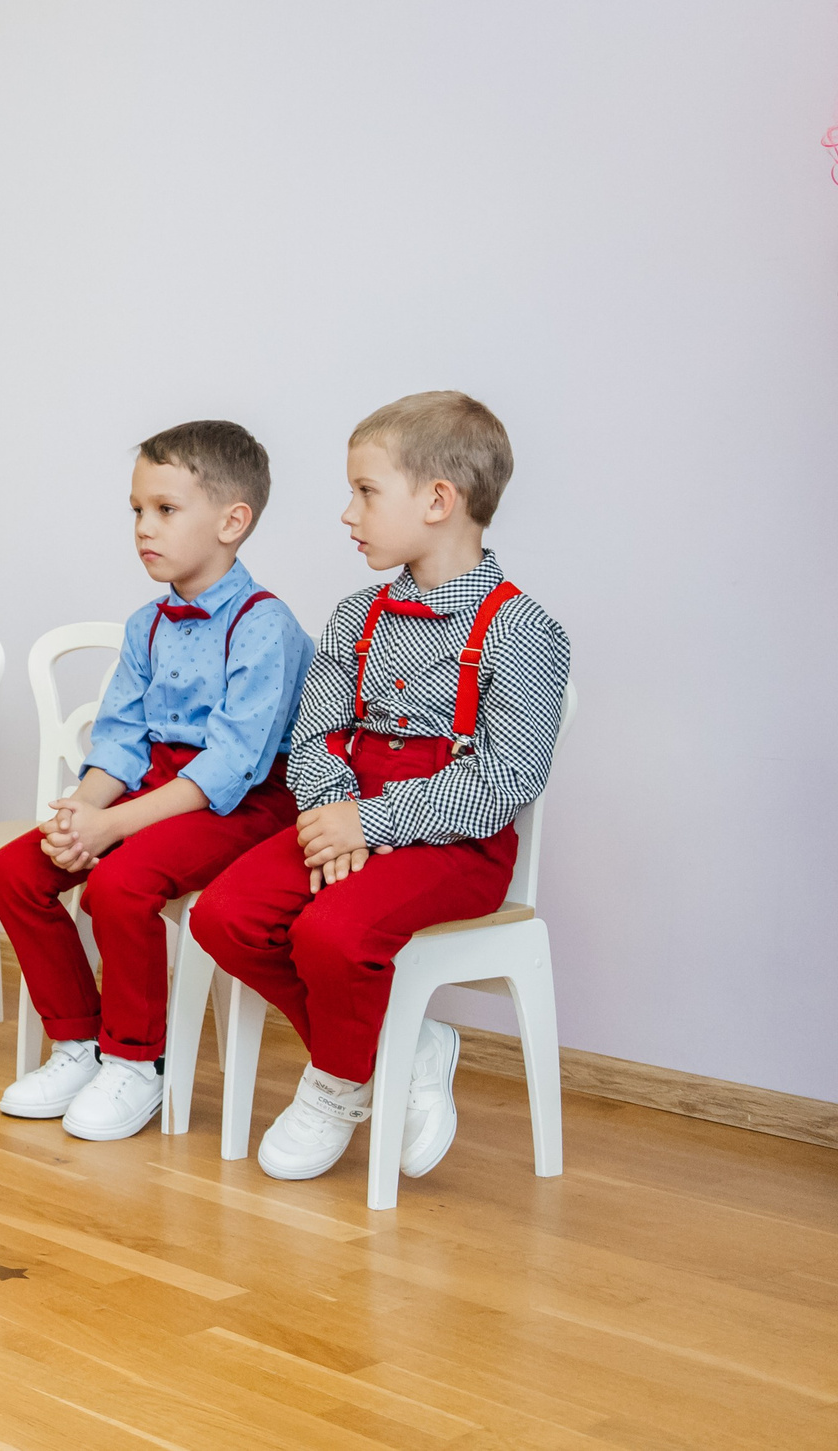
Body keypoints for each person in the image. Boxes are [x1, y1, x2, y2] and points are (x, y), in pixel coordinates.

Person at [191, 392, 569, 1183]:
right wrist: (337, 812)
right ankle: (403, 1040)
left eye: (365, 491)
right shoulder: (355, 615)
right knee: (225, 915)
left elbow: (506, 776)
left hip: (454, 842)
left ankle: (335, 1082)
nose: (346, 512)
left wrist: (377, 819)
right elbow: (316, 732)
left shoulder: (524, 631)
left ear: (438, 501)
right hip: (344, 817)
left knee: (332, 933)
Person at [0, 422, 311, 1140]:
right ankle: (80, 1042)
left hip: (241, 805)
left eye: (165, 509)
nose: (143, 527)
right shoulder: (145, 624)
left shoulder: (266, 626)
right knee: (16, 869)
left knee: (119, 883)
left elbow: (230, 767)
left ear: (232, 521)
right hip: (153, 791)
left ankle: (139, 1061)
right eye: (137, 509)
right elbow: (122, 739)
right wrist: (82, 811)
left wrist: (113, 829)